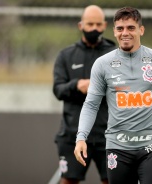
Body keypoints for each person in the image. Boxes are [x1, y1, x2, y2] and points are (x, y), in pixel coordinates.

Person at [74, 6, 152, 184]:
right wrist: (81, 137)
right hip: (117, 147)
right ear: (114, 31)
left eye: (131, 28)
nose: (125, 33)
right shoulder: (102, 64)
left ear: (141, 30)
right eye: (120, 29)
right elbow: (91, 104)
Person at [52, 5, 116, 184]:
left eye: (98, 24)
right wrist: (76, 86)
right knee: (68, 180)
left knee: (112, 180)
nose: (94, 28)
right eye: (90, 24)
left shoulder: (115, 54)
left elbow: (124, 89)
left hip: (109, 135)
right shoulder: (66, 56)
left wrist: (102, 86)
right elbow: (58, 89)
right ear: (81, 25)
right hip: (73, 134)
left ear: (104, 26)